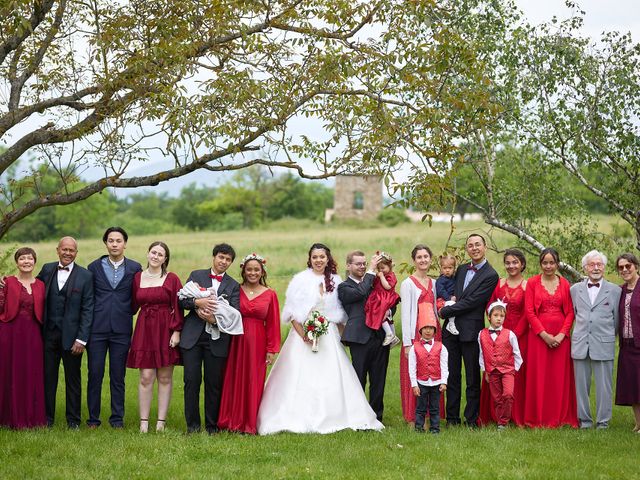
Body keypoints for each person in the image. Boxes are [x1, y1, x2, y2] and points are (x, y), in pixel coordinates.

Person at [257, 243, 383, 434]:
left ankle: (337, 414)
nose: (318, 260)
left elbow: (339, 313)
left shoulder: (335, 279)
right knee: (299, 376)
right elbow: (292, 313)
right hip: (303, 335)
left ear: (327, 259)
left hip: (328, 335)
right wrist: (304, 335)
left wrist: (344, 336)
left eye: (322, 257)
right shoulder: (300, 279)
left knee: (334, 374)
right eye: (315, 257)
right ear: (310, 259)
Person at [179, 243, 240, 434]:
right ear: (214, 257)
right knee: (191, 381)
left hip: (217, 338)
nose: (223, 261)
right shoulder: (196, 275)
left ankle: (212, 426)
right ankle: (193, 427)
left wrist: (214, 320)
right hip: (193, 337)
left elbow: (235, 313)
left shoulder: (233, 285)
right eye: (221, 257)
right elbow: (182, 299)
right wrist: (198, 302)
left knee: (214, 384)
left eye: (228, 259)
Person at [439, 234, 499, 427]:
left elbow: (473, 302)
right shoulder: (462, 269)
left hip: (471, 331)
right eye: (470, 245)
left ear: (485, 247)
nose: (474, 248)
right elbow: (454, 293)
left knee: (472, 377)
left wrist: (446, 310)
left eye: (477, 245)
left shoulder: (491, 275)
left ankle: (471, 419)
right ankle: (452, 418)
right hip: (450, 330)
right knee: (452, 375)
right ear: (467, 249)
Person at [218, 253, 281, 434]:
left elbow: (272, 323)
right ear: (243, 271)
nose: (252, 273)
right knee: (233, 377)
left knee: (254, 380)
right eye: (249, 269)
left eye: (256, 270)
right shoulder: (235, 289)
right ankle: (230, 421)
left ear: (262, 272)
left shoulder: (270, 294)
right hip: (235, 340)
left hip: (257, 342)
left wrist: (271, 349)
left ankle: (249, 424)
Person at [86, 227, 142, 429]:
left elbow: (136, 298)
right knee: (95, 374)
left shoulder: (135, 268)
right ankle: (93, 419)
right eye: (111, 240)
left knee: (118, 376)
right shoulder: (93, 267)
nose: (115, 244)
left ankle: (117, 419)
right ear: (106, 243)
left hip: (121, 329)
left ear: (125, 243)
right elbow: (88, 298)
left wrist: (126, 312)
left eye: (118, 240)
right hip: (97, 329)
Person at [127, 241, 183, 433]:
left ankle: (160, 423)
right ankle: (144, 423)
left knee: (165, 377)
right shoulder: (137, 278)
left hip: (165, 329)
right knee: (146, 376)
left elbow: (178, 306)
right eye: (153, 252)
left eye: (160, 254)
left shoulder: (172, 278)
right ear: (147, 254)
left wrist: (177, 331)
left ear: (165, 259)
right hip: (144, 329)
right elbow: (132, 305)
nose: (156, 256)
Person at [38, 236, 94, 428]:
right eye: (65, 249)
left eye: (71, 250)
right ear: (57, 250)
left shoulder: (86, 276)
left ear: (76, 253)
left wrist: (82, 339)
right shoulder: (46, 269)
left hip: (73, 338)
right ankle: (46, 419)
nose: (67, 253)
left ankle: (73, 421)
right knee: (48, 378)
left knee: (73, 380)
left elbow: (88, 309)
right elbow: (32, 288)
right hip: (48, 335)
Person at [523, 248, 578, 428]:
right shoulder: (532, 283)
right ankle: (538, 417)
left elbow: (570, 312)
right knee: (539, 376)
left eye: (552, 263)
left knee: (558, 377)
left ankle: (560, 416)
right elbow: (529, 312)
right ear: (540, 264)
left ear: (557, 264)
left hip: (561, 337)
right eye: (545, 263)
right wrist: (545, 335)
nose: (548, 266)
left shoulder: (565, 284)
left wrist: (562, 335)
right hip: (539, 337)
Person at [570, 250, 620, 430]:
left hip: (604, 343)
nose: (596, 268)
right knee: (581, 386)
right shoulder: (575, 290)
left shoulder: (615, 290)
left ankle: (603, 422)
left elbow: (617, 321)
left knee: (604, 386)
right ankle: (584, 421)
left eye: (599, 264)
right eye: (592, 265)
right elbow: (574, 315)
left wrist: (607, 337)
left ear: (604, 268)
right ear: (585, 268)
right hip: (581, 342)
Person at [339, 251, 391, 421]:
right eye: (358, 264)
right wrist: (370, 271)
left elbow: (387, 298)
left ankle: (377, 416)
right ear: (348, 266)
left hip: (379, 337)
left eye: (364, 263)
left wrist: (390, 311)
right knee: (359, 378)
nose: (362, 266)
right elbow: (360, 293)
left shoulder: (374, 282)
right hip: (359, 338)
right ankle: (358, 416)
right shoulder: (344, 287)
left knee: (379, 380)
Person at [479, 248, 528, 426]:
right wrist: (495, 327)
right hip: (496, 334)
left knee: (514, 375)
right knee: (494, 375)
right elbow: (490, 306)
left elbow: (527, 312)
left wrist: (514, 334)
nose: (511, 266)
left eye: (515, 262)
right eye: (508, 262)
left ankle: (515, 414)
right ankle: (495, 414)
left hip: (518, 335)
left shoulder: (526, 285)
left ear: (522, 264)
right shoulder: (499, 284)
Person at [0, 247, 47, 429]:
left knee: (31, 372)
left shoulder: (41, 285)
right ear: (17, 262)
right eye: (22, 259)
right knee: (9, 371)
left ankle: (31, 416)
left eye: (29, 258)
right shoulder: (8, 282)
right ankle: (8, 417)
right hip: (9, 333)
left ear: (35, 262)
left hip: (33, 335)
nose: (26, 262)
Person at [399, 244, 441, 423]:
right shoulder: (408, 283)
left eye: (426, 256)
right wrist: (408, 343)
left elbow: (435, 308)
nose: (423, 260)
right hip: (416, 333)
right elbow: (406, 314)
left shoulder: (434, 282)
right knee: (416, 374)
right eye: (419, 257)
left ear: (430, 259)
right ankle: (415, 418)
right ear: (414, 261)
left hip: (433, 332)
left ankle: (433, 416)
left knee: (433, 373)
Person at [478, 300, 523, 430]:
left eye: (502, 316)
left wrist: (514, 370)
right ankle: (500, 423)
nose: (499, 319)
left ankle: (504, 420)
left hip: (508, 370)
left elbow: (517, 354)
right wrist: (485, 371)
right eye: (496, 315)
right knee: (497, 398)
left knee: (508, 395)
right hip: (492, 371)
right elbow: (482, 355)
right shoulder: (481, 334)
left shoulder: (510, 334)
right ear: (489, 317)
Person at [409, 307, 448, 434]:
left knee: (434, 408)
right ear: (420, 330)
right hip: (422, 383)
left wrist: (443, 382)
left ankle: (435, 429)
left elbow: (444, 366)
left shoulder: (441, 347)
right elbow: (412, 367)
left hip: (436, 383)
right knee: (420, 408)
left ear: (435, 331)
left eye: (431, 328)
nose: (428, 331)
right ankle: (419, 428)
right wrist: (414, 384)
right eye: (425, 328)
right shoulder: (414, 348)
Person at [615, 252, 640, 432]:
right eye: (621, 267)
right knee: (633, 386)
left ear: (636, 266)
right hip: (627, 345)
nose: (625, 270)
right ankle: (638, 423)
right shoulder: (620, 290)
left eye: (628, 266)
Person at [364, 251, 400, 346]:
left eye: (383, 268)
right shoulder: (381, 274)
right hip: (379, 297)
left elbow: (388, 286)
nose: (381, 270)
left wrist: (381, 277)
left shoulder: (391, 276)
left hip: (386, 297)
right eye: (379, 268)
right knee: (387, 317)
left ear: (390, 267)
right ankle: (393, 336)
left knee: (380, 314)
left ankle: (389, 334)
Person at [436, 253, 458, 335]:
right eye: (445, 268)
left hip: (449, 300)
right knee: (452, 304)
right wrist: (449, 298)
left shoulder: (454, 278)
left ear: (454, 268)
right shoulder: (440, 280)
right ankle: (451, 324)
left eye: (450, 268)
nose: (447, 270)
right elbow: (441, 291)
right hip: (441, 301)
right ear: (441, 268)